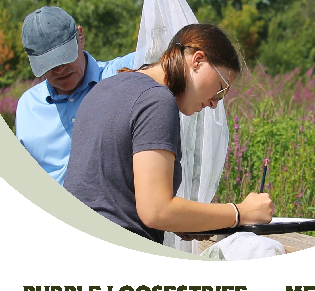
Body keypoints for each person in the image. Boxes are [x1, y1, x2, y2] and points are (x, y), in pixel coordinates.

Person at [63, 24, 275, 243]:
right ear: (198, 60)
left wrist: (181, 221)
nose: (214, 103)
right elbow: (156, 210)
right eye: (221, 89)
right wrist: (240, 213)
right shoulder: (156, 101)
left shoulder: (104, 89)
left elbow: (110, 194)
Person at [15, 6, 136, 185]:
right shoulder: (28, 106)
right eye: (48, 64)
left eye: (63, 57)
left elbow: (172, 43)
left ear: (80, 37)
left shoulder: (121, 74)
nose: (59, 69)